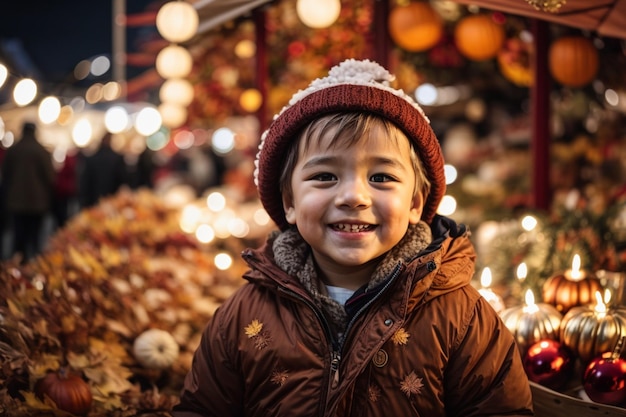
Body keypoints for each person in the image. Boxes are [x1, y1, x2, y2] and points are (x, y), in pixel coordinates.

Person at [173, 59, 533, 416]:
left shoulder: (463, 319)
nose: (354, 196)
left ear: (415, 203)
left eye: (381, 178)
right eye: (325, 176)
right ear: (289, 203)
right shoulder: (243, 316)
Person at [1, 121, 56, 262]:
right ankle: (32, 268)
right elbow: (50, 177)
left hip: (16, 202)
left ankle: (16, 268)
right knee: (35, 238)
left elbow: (5, 174)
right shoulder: (41, 151)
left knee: (18, 238)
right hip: (37, 203)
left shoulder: (13, 150)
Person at [79, 131, 128, 208]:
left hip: (93, 200)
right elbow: (122, 180)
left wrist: (84, 202)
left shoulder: (91, 159)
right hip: (112, 201)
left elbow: (85, 183)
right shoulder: (117, 158)